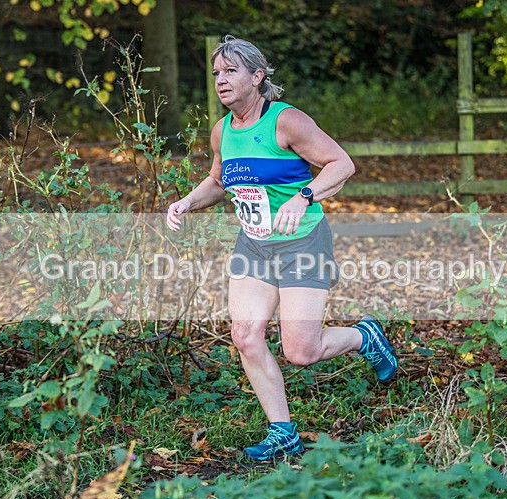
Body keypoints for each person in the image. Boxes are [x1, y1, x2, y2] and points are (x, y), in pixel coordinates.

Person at [166, 35, 397, 461]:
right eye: (217, 72)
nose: (221, 80)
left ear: (258, 76)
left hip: (301, 243)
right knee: (245, 334)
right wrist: (187, 201)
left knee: (300, 351)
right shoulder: (223, 131)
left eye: (231, 71)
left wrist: (303, 196)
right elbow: (219, 181)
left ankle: (364, 336)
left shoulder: (286, 122)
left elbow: (342, 164)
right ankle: (282, 432)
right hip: (254, 246)